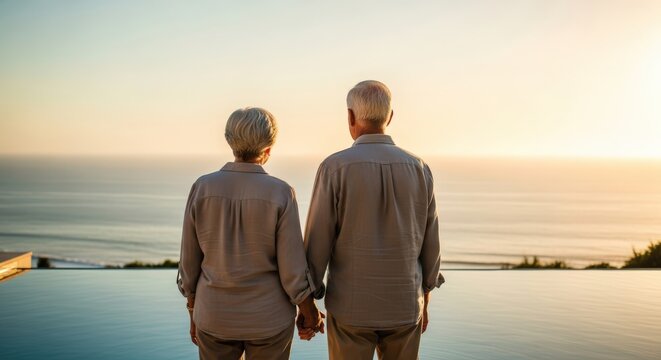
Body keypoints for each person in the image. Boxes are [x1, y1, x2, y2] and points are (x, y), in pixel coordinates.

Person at [301, 81, 445, 359]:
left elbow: (317, 242)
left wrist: (309, 301)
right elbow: (431, 243)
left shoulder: (334, 168)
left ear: (350, 117)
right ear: (390, 117)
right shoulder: (419, 168)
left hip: (350, 309)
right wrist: (424, 297)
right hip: (405, 306)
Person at [177, 107, 323, 360]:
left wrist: (193, 311)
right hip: (269, 320)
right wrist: (308, 310)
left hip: (214, 316)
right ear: (268, 148)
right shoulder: (280, 192)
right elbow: (293, 269)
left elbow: (189, 263)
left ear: (230, 140)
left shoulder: (202, 187)